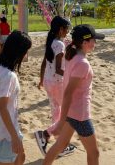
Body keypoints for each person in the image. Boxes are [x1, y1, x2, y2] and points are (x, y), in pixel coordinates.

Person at [43, 24, 104, 165]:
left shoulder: (72, 56)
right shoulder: (83, 63)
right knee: (94, 153)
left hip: (72, 113)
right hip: (80, 115)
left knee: (60, 145)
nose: (95, 43)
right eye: (93, 40)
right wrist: (60, 122)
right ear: (84, 43)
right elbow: (69, 93)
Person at [35, 16, 76, 157]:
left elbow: (44, 63)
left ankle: (61, 144)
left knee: (56, 113)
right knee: (67, 114)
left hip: (48, 82)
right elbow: (59, 69)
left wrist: (41, 80)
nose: (67, 32)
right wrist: (72, 76)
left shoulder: (52, 42)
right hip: (57, 83)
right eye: (67, 29)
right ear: (60, 29)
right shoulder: (59, 44)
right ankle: (45, 135)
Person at [0, 31, 32, 165]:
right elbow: (2, 108)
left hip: (6, 129)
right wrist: (14, 137)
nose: (26, 54)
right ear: (18, 52)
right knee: (14, 158)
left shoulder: (1, 68)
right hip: (5, 134)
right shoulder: (9, 76)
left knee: (21, 157)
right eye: (26, 51)